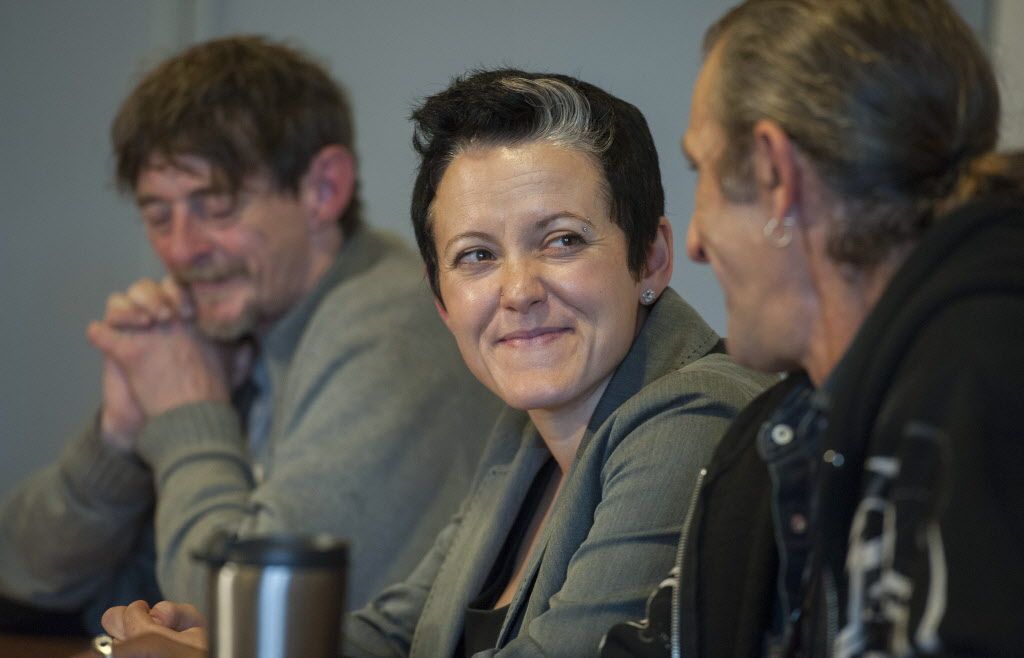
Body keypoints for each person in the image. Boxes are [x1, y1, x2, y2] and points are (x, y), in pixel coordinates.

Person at [95, 69, 769, 656]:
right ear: (443, 301)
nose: (519, 291)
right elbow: (395, 637)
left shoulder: (693, 414)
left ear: (651, 258)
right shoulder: (528, 428)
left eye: (561, 240)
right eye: (476, 255)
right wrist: (232, 646)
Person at [0, 35, 504, 635]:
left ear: (324, 188)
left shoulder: (396, 326)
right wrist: (120, 438)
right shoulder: (233, 328)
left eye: (216, 205)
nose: (181, 249)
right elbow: (25, 572)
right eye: (159, 214)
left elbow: (248, 619)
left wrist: (188, 414)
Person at [601, 0, 1024, 655]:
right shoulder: (777, 437)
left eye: (702, 173)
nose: (696, 244)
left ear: (776, 176)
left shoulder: (979, 396)